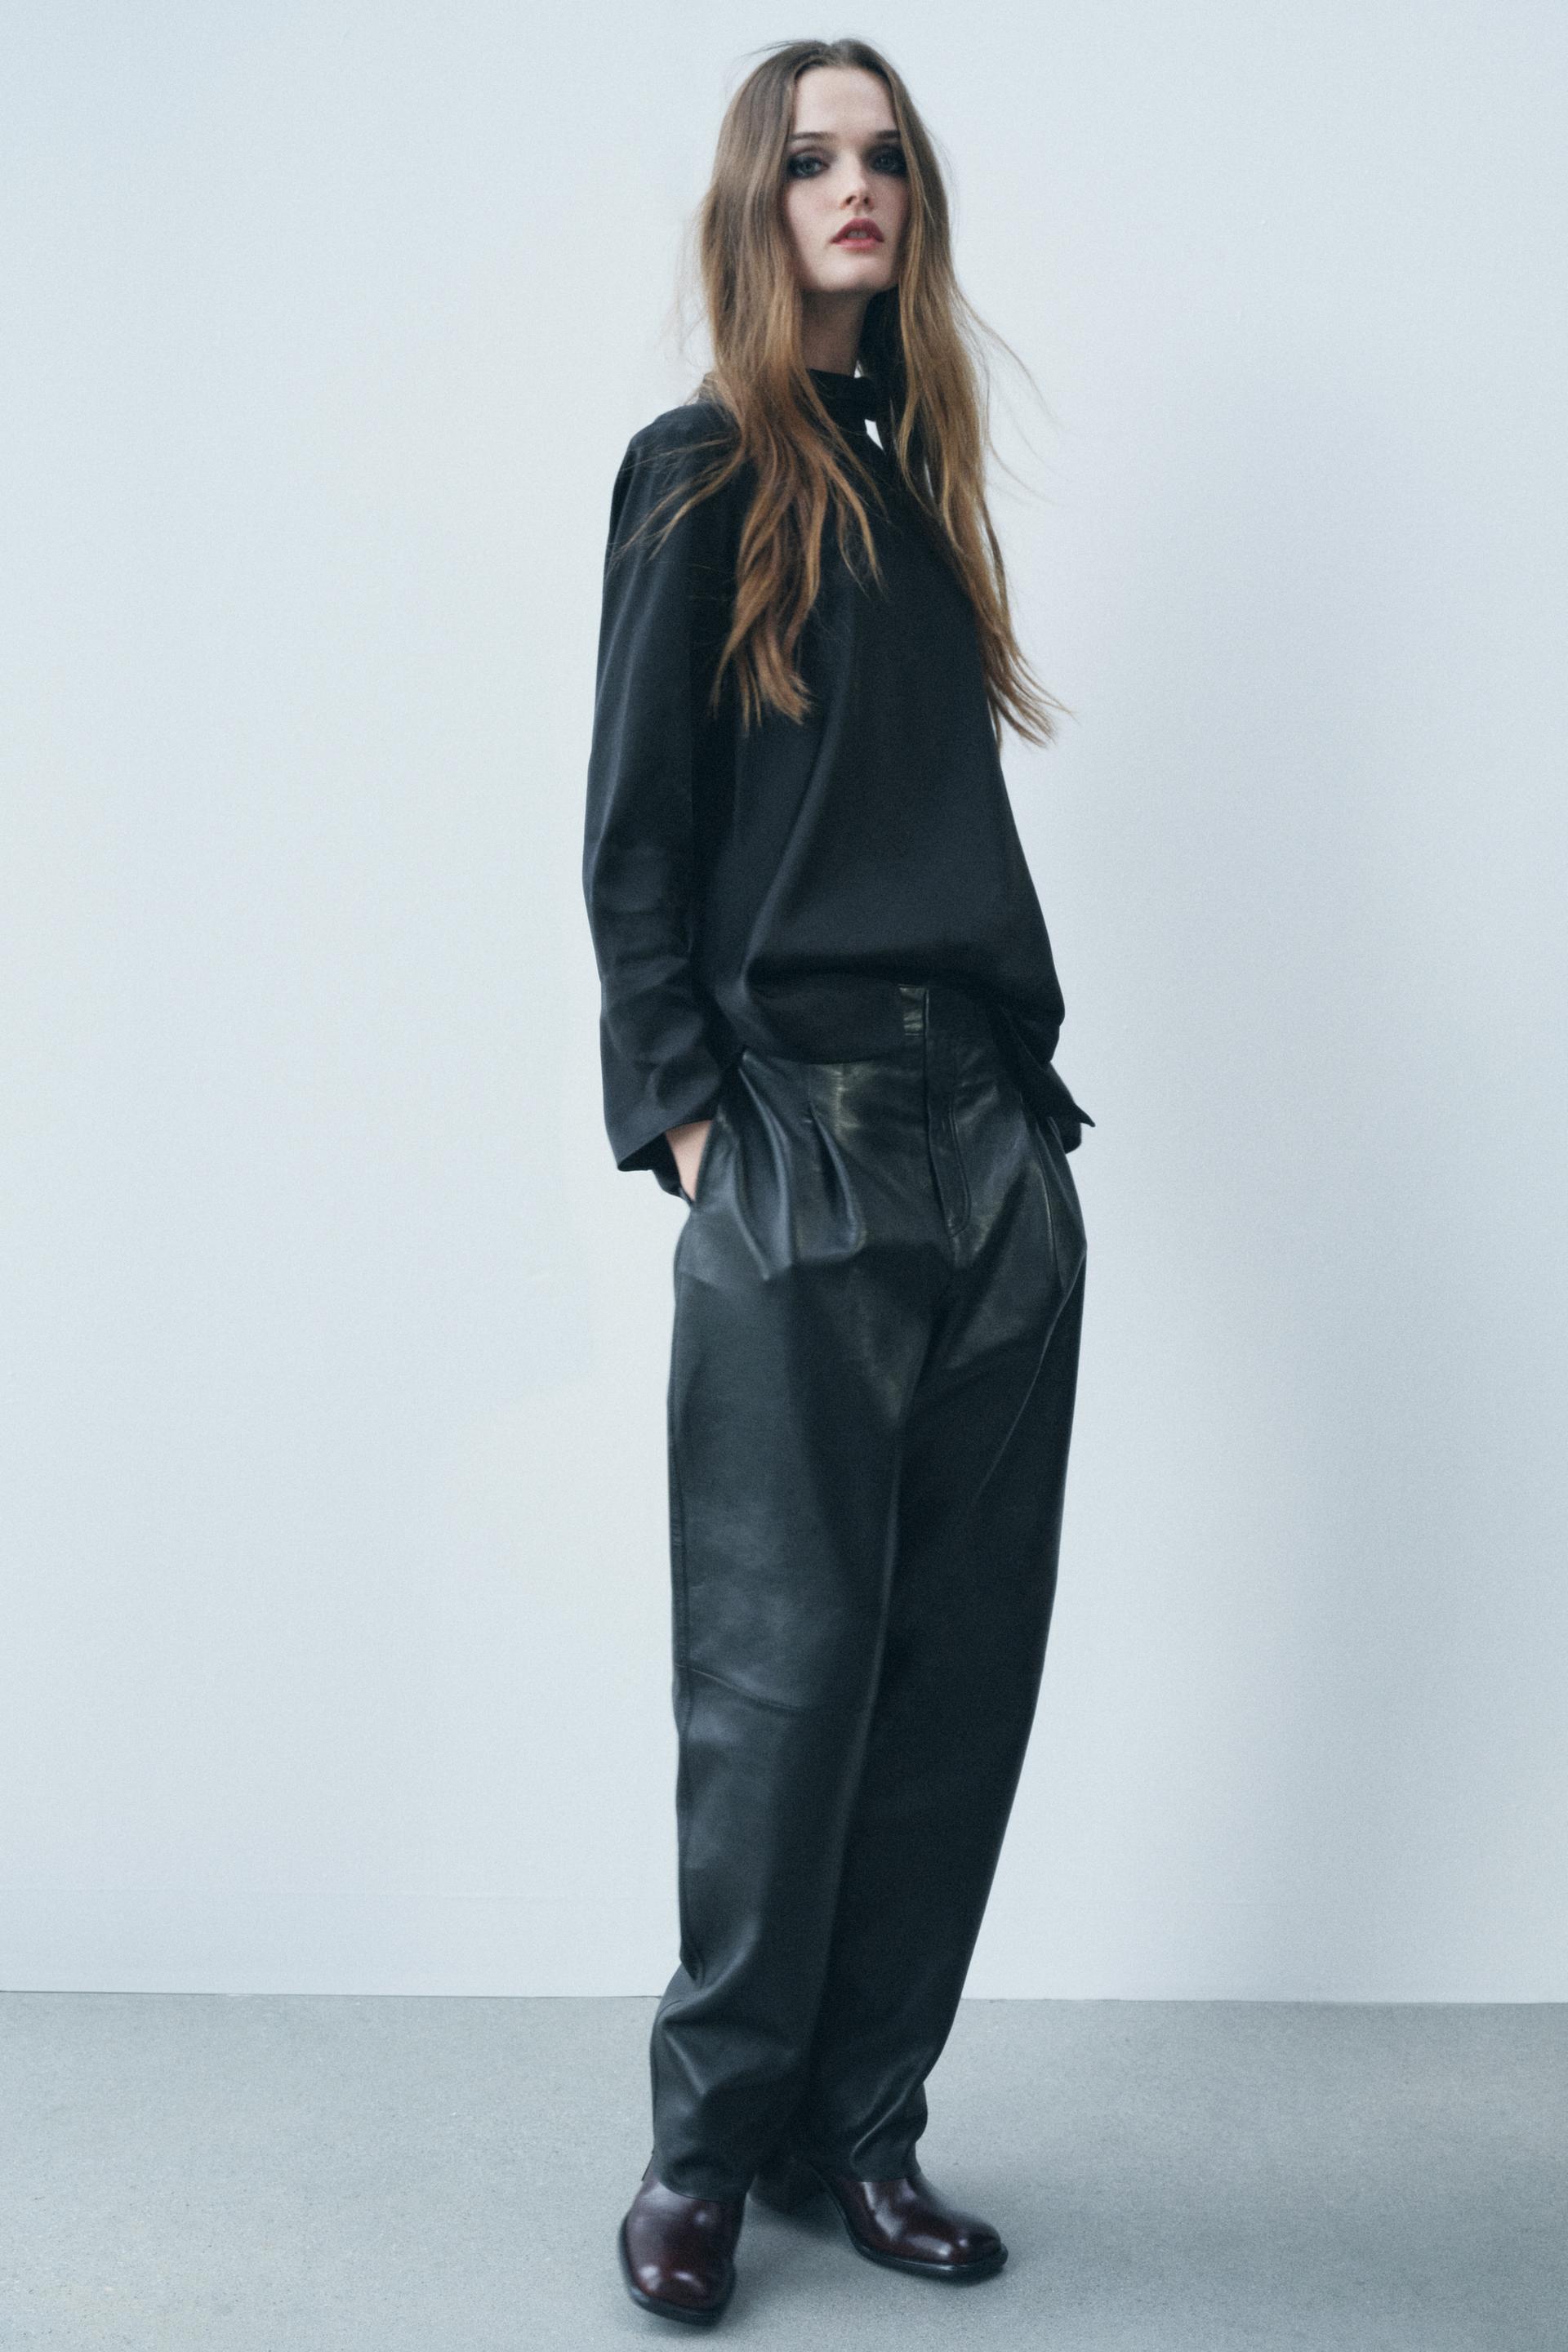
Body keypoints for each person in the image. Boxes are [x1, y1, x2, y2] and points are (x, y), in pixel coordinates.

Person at [582, 37, 1094, 2328]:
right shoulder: (700, 469)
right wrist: (694, 1125)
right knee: (779, 1689)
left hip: (994, 1156)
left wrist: (1026, 1140)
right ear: (757, 203)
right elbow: (636, 839)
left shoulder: (918, 490)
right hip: (798, 1142)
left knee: (955, 1686)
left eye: (884, 157)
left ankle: (858, 2130)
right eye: (813, 159)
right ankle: (705, 2152)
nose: (855, 186)